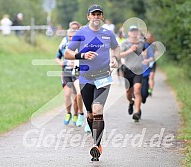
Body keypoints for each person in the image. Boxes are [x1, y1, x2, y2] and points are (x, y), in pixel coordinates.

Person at [65, 4, 120, 161]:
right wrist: (81, 56)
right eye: (93, 14)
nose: (96, 16)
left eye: (99, 14)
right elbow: (68, 53)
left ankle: (96, 145)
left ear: (102, 17)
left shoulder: (108, 34)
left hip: (103, 77)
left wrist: (116, 58)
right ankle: (97, 142)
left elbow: (116, 48)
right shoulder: (81, 33)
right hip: (85, 78)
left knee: (98, 109)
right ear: (88, 16)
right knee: (89, 113)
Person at [55, 28, 84, 126]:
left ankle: (76, 114)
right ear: (67, 36)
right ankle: (68, 113)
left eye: (74, 36)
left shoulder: (80, 45)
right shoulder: (64, 45)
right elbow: (57, 57)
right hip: (66, 72)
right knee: (67, 94)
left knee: (76, 96)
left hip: (76, 71)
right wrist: (62, 64)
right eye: (70, 36)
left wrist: (77, 63)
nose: (71, 38)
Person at [119, 25, 145, 121]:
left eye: (136, 31)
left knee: (137, 90)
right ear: (129, 33)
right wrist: (130, 50)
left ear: (138, 33)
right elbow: (119, 55)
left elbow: (147, 52)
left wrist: (145, 54)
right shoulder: (125, 43)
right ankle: (130, 103)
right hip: (127, 70)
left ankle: (137, 112)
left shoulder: (142, 43)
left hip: (138, 69)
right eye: (132, 31)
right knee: (128, 93)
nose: (134, 33)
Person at [146, 32, 156, 96]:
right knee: (146, 77)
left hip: (152, 63)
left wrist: (153, 57)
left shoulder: (154, 45)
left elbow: (157, 53)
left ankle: (150, 90)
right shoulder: (144, 44)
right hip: (145, 63)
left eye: (149, 36)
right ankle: (146, 87)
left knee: (151, 76)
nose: (148, 37)